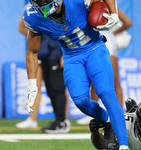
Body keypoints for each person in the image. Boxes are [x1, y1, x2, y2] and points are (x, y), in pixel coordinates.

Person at [23, 0, 129, 149]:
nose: (41, 3)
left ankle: (124, 145)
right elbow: (32, 52)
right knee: (80, 100)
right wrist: (32, 85)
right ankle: (106, 120)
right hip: (71, 57)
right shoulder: (32, 17)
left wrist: (113, 13)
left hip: (94, 48)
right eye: (37, 0)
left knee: (106, 92)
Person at [16, 3, 70, 133]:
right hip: (43, 52)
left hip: (57, 52)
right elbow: (22, 28)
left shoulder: (61, 4)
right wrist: (38, 32)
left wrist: (66, 53)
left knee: (58, 88)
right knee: (51, 88)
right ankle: (58, 121)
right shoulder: (30, 8)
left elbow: (69, 29)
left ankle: (63, 121)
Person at [77, 8, 132, 125]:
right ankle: (92, 113)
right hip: (92, 40)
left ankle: (119, 113)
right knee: (94, 78)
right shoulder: (86, 5)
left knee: (114, 80)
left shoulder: (109, 6)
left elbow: (128, 22)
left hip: (108, 42)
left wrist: (113, 32)